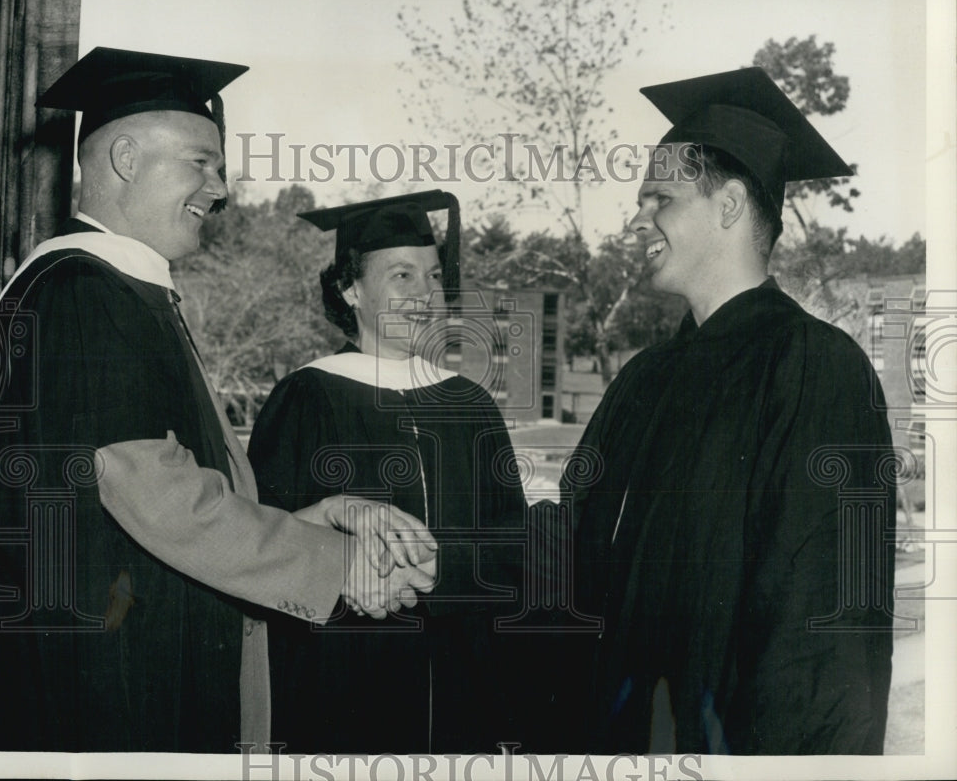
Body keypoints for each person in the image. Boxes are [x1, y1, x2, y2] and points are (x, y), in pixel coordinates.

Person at [0, 47, 434, 754]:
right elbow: (156, 494)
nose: (220, 190)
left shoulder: (115, 291)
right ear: (126, 157)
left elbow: (157, 498)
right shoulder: (86, 292)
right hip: (111, 696)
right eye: (202, 162)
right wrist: (337, 565)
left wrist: (316, 519)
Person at [561, 67, 896, 754]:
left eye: (660, 197)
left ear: (730, 205)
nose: (638, 218)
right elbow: (570, 550)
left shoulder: (815, 369)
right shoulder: (644, 378)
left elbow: (825, 632)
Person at [247, 191, 530, 754]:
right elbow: (260, 540)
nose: (426, 294)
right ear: (350, 288)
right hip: (341, 682)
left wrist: (436, 570)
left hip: (461, 685)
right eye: (402, 275)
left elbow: (514, 543)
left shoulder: (469, 405)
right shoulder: (306, 396)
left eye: (432, 276)